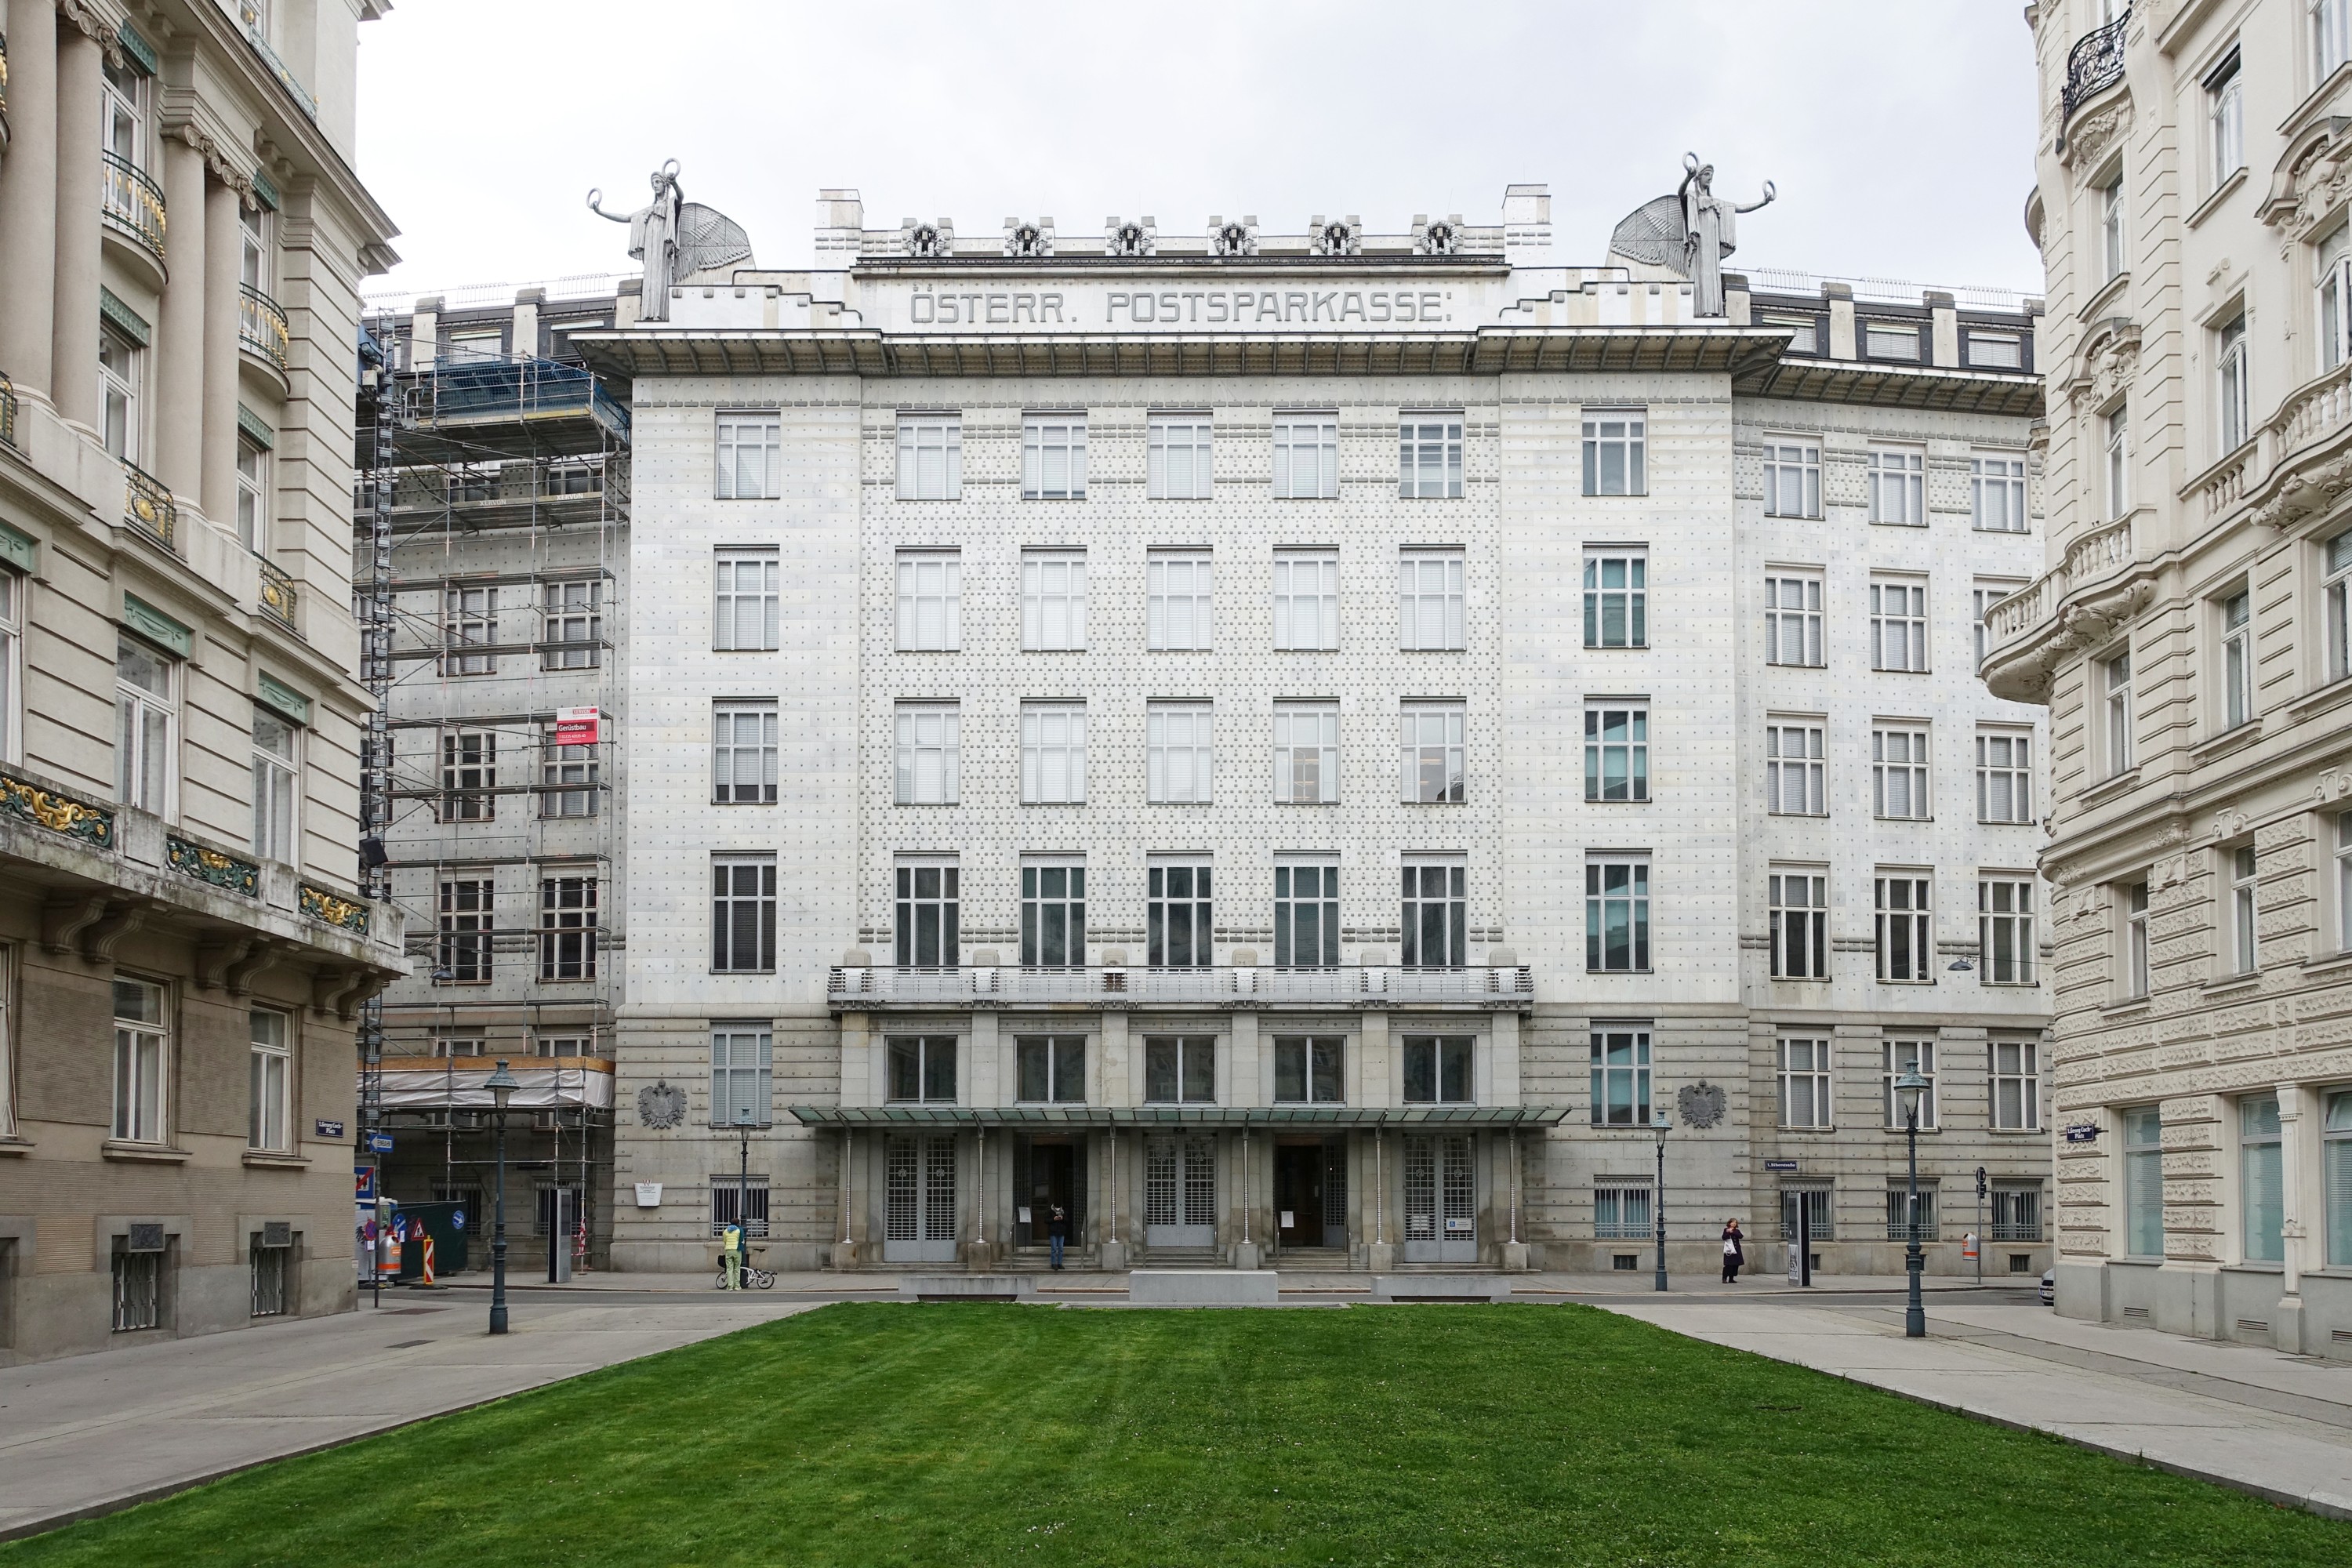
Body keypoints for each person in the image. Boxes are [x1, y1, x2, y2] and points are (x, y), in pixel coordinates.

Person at [1721, 1218, 1745, 1284]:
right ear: (1730, 1223)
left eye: (1735, 1222)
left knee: (1735, 1265)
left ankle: (1731, 1278)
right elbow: (1724, 1237)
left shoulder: (1737, 1231)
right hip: (1729, 1250)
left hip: (1736, 1250)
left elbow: (1741, 1236)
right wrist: (1728, 1233)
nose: (1734, 1224)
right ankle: (1724, 1278)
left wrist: (1733, 1232)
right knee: (1728, 1265)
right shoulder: (1726, 1230)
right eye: (1733, 1222)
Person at [1047, 1204, 1069, 1272]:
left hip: (1061, 1232)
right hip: (1053, 1232)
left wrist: (1062, 1218)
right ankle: (1053, 1264)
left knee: (1061, 1249)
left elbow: (1068, 1220)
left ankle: (1060, 1263)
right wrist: (1053, 1219)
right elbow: (1046, 1220)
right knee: (1054, 1248)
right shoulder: (1050, 1211)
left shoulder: (1064, 1211)